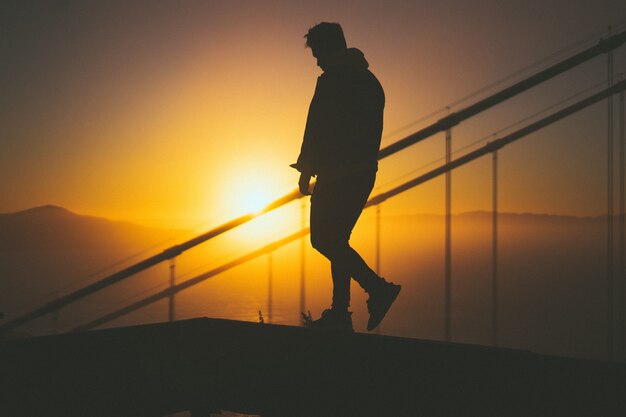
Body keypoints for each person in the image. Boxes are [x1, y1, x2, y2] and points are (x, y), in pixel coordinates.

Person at [291, 22, 400, 331]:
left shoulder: (332, 80)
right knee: (338, 240)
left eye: (316, 52)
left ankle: (378, 288)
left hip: (336, 175)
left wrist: (306, 171)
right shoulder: (369, 80)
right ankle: (341, 312)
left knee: (323, 240)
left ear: (327, 47)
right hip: (364, 173)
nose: (315, 60)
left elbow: (317, 129)